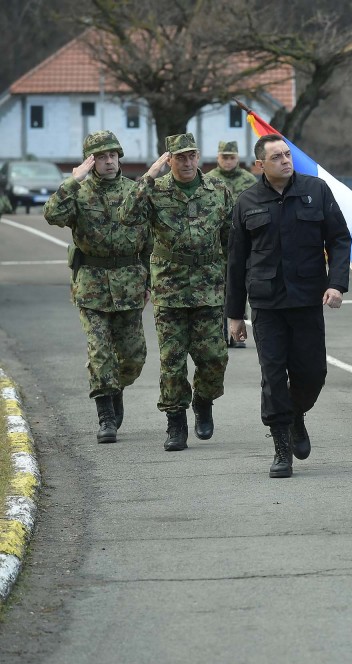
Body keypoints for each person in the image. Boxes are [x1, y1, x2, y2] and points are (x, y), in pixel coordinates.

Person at [226, 133, 352, 478]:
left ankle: (296, 415)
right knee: (272, 377)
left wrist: (336, 283)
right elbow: (236, 262)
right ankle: (281, 447)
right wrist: (235, 316)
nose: (285, 160)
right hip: (267, 306)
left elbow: (340, 239)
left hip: (307, 299)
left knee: (312, 373)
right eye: (277, 157)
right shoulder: (247, 201)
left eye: (287, 154)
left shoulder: (315, 191)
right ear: (260, 165)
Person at [118, 133, 233, 451]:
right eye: (179, 157)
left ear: (199, 157)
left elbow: (229, 235)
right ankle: (175, 423)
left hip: (209, 287)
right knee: (172, 360)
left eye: (191, 155)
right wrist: (148, 176)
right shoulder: (155, 190)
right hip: (170, 288)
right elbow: (126, 217)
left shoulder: (218, 190)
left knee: (214, 358)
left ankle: (203, 402)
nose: (186, 162)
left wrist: (230, 279)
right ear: (168, 160)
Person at [43, 130, 152, 443]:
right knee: (100, 351)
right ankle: (105, 414)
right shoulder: (78, 193)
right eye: (101, 157)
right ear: (90, 161)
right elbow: (51, 215)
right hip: (91, 285)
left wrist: (148, 279)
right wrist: (72, 180)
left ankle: (115, 387)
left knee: (133, 357)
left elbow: (148, 240)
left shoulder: (134, 191)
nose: (108, 161)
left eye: (112, 155)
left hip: (130, 284)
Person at [207, 140, 258, 348]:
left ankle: (238, 334)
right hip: (216, 244)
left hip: (241, 242)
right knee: (217, 290)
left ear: (237, 158)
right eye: (224, 157)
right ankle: (219, 333)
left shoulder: (248, 180)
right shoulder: (209, 180)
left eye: (231, 157)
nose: (228, 161)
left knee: (239, 287)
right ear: (218, 158)